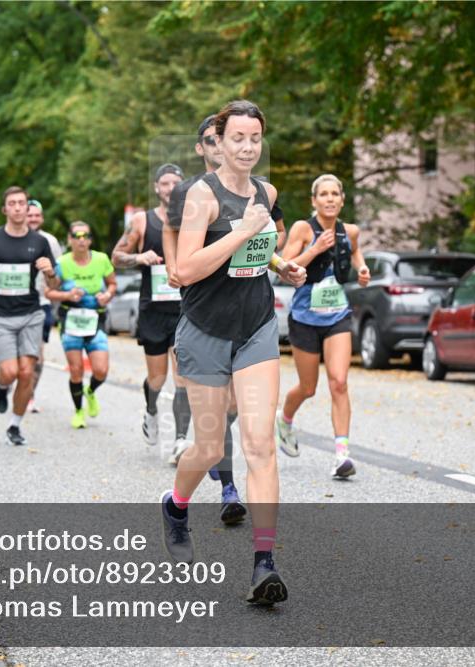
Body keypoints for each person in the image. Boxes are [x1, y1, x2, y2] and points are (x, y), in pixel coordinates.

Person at [159, 100, 306, 606]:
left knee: (260, 445)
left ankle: (264, 563)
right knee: (208, 449)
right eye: (237, 138)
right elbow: (185, 270)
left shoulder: (266, 192)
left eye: (255, 138)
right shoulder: (199, 196)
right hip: (204, 330)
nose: (247, 147)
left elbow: (256, 251)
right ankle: (176, 505)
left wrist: (281, 264)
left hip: (256, 328)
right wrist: (242, 229)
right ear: (218, 142)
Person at [163, 115, 248, 525]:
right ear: (201, 148)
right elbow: (169, 229)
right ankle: (229, 488)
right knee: (216, 412)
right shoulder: (188, 192)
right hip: (205, 310)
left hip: (246, 310)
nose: (219, 147)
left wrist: (276, 258)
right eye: (211, 141)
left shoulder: (254, 189)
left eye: (223, 139)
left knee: (231, 406)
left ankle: (213, 451)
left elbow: (275, 233)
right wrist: (172, 264)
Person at [277, 174, 371, 478]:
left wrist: (362, 268)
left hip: (337, 315)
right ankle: (285, 419)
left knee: (339, 382)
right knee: (308, 388)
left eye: (334, 194)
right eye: (324, 194)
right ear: (314, 200)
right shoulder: (303, 229)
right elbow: (284, 267)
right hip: (305, 318)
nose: (329, 199)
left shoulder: (350, 231)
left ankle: (342, 454)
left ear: (342, 200)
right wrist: (315, 248)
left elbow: (354, 251)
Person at [111, 163, 195, 459]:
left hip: (186, 309)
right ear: (157, 188)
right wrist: (139, 257)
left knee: (182, 377)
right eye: (165, 183)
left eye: (176, 183)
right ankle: (150, 409)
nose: (171, 188)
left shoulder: (195, 220)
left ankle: (180, 440)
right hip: (153, 310)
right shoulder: (141, 221)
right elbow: (116, 256)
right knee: (157, 378)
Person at [0, 186, 59, 446]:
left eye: (22, 203)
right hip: (0, 314)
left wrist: (50, 272)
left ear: (27, 208)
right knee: (9, 372)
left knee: (26, 372)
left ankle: (15, 425)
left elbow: (54, 284)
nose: (18, 207)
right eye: (13, 203)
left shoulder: (39, 242)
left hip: (31, 313)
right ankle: (1, 387)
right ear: (5, 209)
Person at [45, 221, 116, 430]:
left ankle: (90, 391)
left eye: (86, 236)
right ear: (70, 239)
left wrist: (107, 295)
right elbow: (49, 292)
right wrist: (67, 295)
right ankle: (78, 411)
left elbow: (113, 284)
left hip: (96, 319)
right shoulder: (62, 263)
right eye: (77, 236)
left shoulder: (101, 259)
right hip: (71, 321)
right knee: (76, 370)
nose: (82, 240)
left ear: (90, 240)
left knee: (101, 370)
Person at [26, 198, 64, 412]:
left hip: (41, 302)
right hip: (14, 303)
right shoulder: (13, 238)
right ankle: (16, 383)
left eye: (36, 215)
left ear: (42, 218)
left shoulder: (50, 241)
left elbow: (58, 274)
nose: (33, 218)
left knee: (38, 355)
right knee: (20, 356)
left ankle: (29, 395)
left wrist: (52, 280)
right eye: (29, 215)